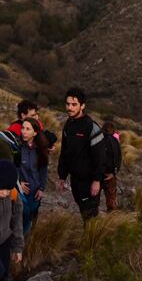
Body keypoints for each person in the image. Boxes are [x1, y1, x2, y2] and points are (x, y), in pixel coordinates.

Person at [57, 88, 106, 221]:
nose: (70, 108)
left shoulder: (91, 127)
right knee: (83, 211)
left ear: (82, 106)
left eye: (74, 104)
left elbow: (100, 157)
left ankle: (93, 240)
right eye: (67, 104)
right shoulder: (68, 125)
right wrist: (62, 175)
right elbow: (65, 151)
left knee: (89, 215)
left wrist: (96, 180)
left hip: (89, 181)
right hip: (75, 179)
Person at [17, 117, 50, 234]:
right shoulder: (18, 148)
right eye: (22, 128)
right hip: (21, 190)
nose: (23, 131)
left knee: (31, 215)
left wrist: (41, 189)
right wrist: (19, 183)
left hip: (35, 191)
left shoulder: (41, 150)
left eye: (27, 129)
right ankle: (19, 243)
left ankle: (27, 241)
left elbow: (43, 170)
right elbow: (15, 168)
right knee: (22, 215)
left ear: (35, 132)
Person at [100, 121, 122, 211]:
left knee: (93, 199)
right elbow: (118, 158)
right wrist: (113, 172)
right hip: (110, 175)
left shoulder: (98, 139)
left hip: (98, 174)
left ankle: (92, 220)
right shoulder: (115, 141)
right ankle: (112, 219)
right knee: (111, 199)